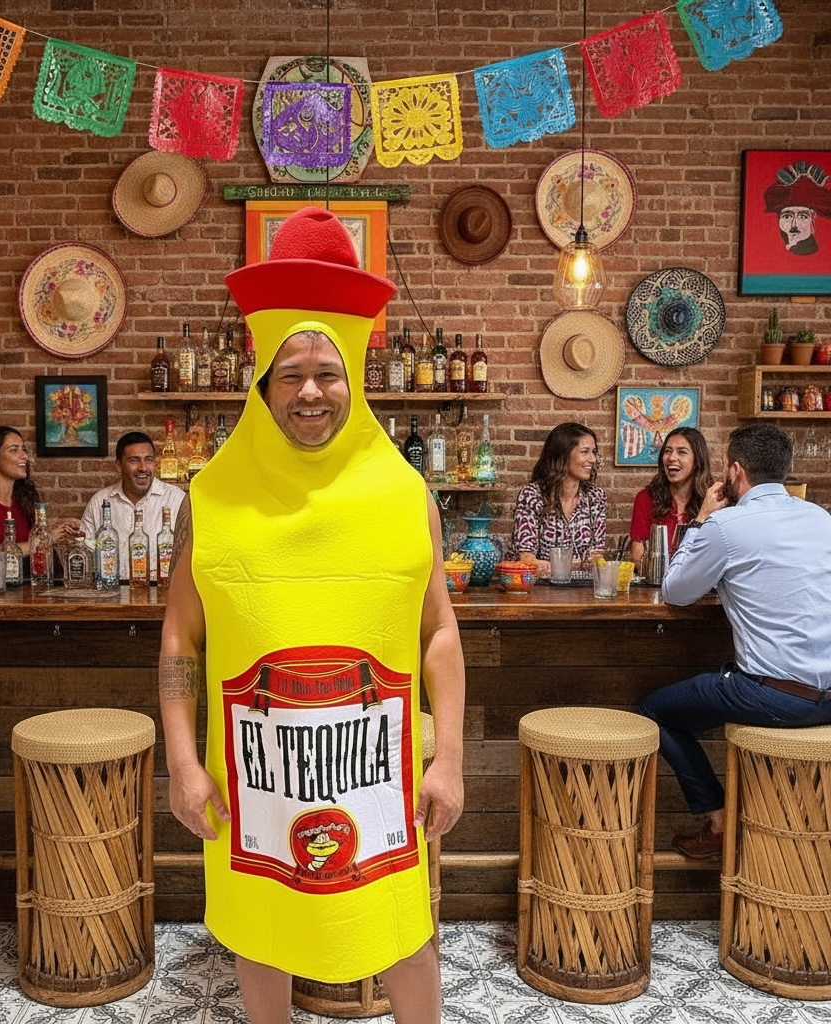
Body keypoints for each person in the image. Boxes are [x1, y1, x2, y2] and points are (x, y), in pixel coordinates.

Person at [159, 207, 465, 1024]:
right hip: (251, 769)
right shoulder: (211, 497)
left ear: (356, 376)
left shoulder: (407, 494)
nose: (310, 391)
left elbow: (439, 630)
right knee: (261, 930)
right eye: (289, 372)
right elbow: (180, 637)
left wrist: (452, 758)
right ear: (262, 379)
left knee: (403, 928)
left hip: (380, 768)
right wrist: (183, 762)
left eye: (328, 372)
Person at [639, 423, 831, 859]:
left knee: (655, 712)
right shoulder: (820, 519)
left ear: (736, 472)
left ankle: (719, 819)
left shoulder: (726, 525)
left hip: (777, 697)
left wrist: (703, 518)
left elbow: (676, 591)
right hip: (829, 698)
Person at [0, 425, 78, 577]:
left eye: (23, 449)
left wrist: (56, 529)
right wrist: (45, 539)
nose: (24, 456)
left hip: (14, 585)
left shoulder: (22, 498)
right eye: (14, 450)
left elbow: (24, 544)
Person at [79, 430, 185, 580]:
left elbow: (192, 554)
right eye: (134, 460)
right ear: (118, 465)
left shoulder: (176, 499)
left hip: (162, 592)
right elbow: (85, 553)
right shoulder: (100, 501)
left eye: (148, 459)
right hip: (110, 592)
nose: (143, 467)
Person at [511, 422, 606, 575]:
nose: (593, 459)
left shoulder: (595, 496)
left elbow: (596, 557)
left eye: (594, 452)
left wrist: (555, 566)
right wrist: (575, 565)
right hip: (541, 589)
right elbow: (526, 558)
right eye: (585, 452)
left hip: (582, 590)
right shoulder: (532, 495)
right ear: (563, 454)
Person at [628, 427, 713, 569]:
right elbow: (637, 557)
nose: (672, 458)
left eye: (681, 452)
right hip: (656, 585)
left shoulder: (712, 499)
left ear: (697, 461)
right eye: (667, 451)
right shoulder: (646, 498)